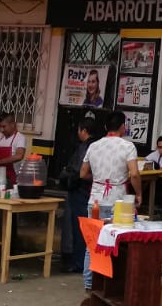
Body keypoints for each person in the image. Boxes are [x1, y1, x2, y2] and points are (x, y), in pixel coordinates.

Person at [79, 111, 143, 290]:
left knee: (92, 243)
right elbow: (134, 174)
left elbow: (83, 173)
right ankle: (112, 285)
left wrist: (100, 179)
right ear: (123, 127)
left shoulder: (93, 146)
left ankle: (90, 284)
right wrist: (139, 194)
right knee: (118, 242)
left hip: (96, 200)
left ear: (106, 127)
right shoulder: (127, 146)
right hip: (119, 201)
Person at [58, 117, 97, 274]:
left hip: (80, 191)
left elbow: (80, 171)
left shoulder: (86, 147)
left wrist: (68, 177)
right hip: (90, 191)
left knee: (79, 228)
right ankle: (81, 261)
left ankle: (78, 262)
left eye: (79, 130)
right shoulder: (96, 146)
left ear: (84, 131)